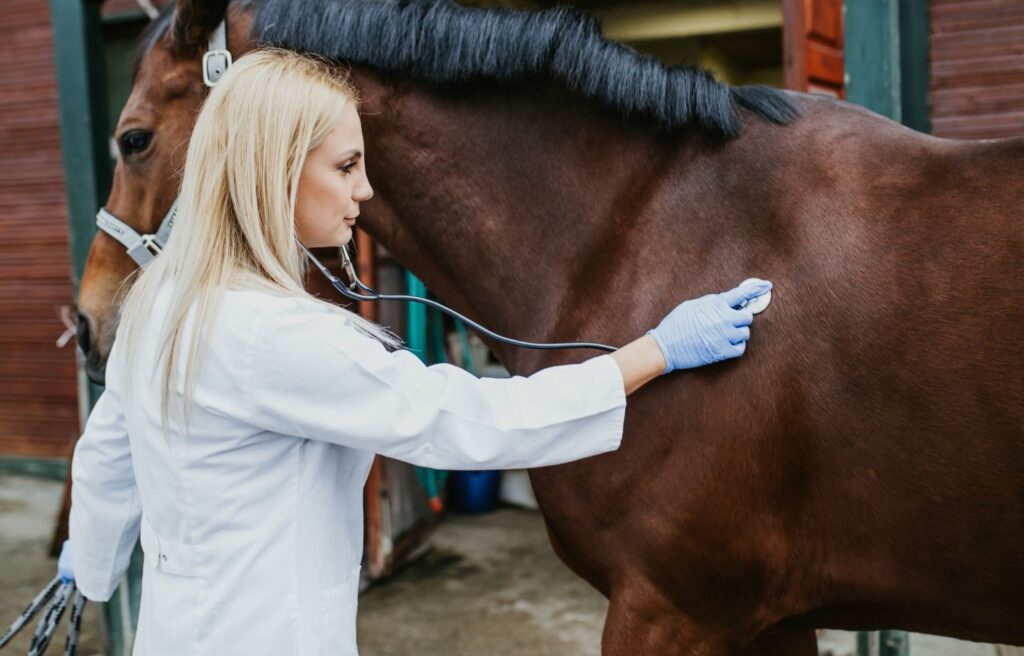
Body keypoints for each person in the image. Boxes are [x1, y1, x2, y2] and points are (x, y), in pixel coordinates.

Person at [63, 49, 771, 655]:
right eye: (345, 167)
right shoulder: (282, 337)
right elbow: (469, 422)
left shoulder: (159, 304)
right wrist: (658, 349)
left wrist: (84, 573)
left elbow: (105, 458)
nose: (364, 191)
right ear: (273, 175)